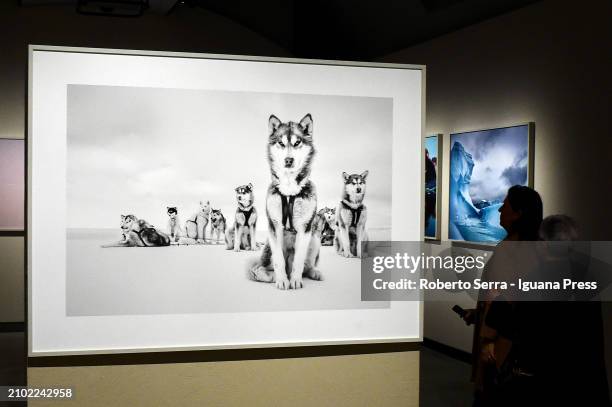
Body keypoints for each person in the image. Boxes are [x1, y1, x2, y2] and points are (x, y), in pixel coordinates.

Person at [462, 185, 543, 406]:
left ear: (519, 213)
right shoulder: (534, 247)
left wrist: (489, 339)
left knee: (491, 395)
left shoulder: (512, 249)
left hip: (500, 345)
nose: (499, 211)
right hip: (518, 342)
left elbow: (502, 299)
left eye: (505, 206)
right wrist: (477, 314)